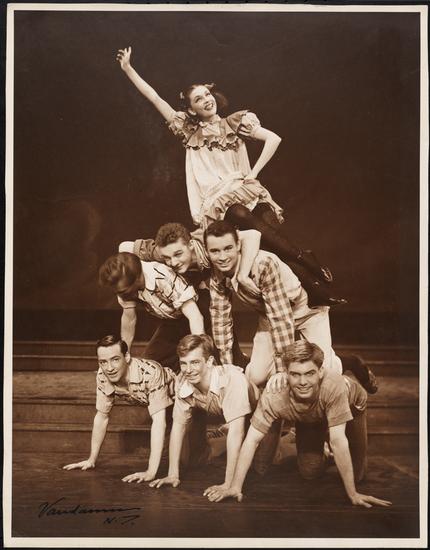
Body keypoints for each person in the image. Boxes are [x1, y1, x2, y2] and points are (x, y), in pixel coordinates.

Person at [116, 46, 345, 307]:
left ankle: (315, 288)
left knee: (271, 246)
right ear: (191, 110)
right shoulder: (189, 132)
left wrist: (253, 174)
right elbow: (155, 98)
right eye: (198, 99)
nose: (206, 100)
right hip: (218, 201)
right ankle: (305, 258)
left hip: (246, 191)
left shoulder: (235, 122)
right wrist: (128, 69)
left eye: (207, 94)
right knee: (238, 213)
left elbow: (274, 139)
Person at [206, 341, 391, 509]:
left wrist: (353, 494)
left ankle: (326, 440)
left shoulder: (333, 384)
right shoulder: (274, 394)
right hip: (309, 417)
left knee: (358, 477)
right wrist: (235, 487)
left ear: (320, 372)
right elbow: (251, 441)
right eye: (295, 374)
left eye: (309, 373)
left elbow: (338, 441)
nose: (303, 382)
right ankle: (321, 449)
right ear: (286, 374)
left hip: (352, 407)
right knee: (308, 472)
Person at [205, 220, 377, 393]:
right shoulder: (217, 272)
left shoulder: (263, 264)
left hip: (307, 312)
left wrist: (282, 370)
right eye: (215, 251)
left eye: (228, 248)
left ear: (238, 245)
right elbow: (221, 321)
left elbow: (281, 318)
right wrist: (228, 367)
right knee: (255, 377)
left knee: (323, 373)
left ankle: (351, 362)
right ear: (207, 251)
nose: (222, 257)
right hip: (269, 316)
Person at [148, 334, 260, 496]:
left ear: (209, 361)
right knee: (192, 460)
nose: (188, 370)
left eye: (195, 362)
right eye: (184, 363)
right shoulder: (183, 381)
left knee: (262, 466)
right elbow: (178, 427)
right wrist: (173, 474)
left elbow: (237, 433)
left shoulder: (232, 380)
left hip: (256, 414)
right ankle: (220, 438)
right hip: (222, 410)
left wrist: (228, 484)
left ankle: (288, 439)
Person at [63, 335, 175, 483]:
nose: (109, 368)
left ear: (127, 357)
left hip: (186, 399)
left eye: (115, 359)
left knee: (186, 461)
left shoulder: (151, 372)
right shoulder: (102, 375)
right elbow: (102, 417)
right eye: (103, 362)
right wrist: (91, 459)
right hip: (158, 403)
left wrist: (150, 472)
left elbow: (159, 422)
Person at [98, 252, 204, 370]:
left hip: (200, 313)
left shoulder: (161, 276)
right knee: (149, 367)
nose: (120, 295)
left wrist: (199, 352)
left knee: (199, 358)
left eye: (123, 292)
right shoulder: (124, 288)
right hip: (173, 321)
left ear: (137, 279)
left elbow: (195, 317)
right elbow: (129, 319)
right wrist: (124, 354)